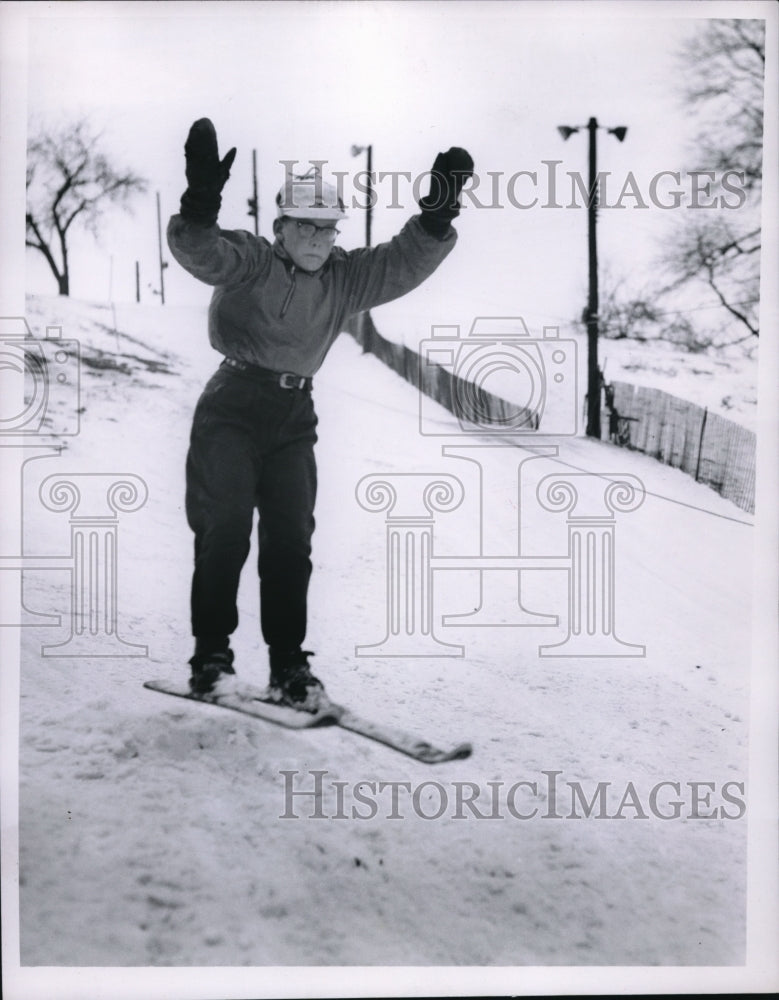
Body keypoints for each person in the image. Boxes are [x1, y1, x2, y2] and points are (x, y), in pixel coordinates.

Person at [167, 118, 473, 710]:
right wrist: (200, 203)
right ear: (280, 227)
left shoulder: (345, 278)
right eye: (304, 225)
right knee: (224, 528)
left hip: (292, 416)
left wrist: (437, 215)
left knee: (290, 540)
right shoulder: (252, 261)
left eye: (327, 228)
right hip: (231, 406)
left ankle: (289, 667)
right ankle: (211, 659)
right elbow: (202, 252)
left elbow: (403, 261)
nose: (317, 238)